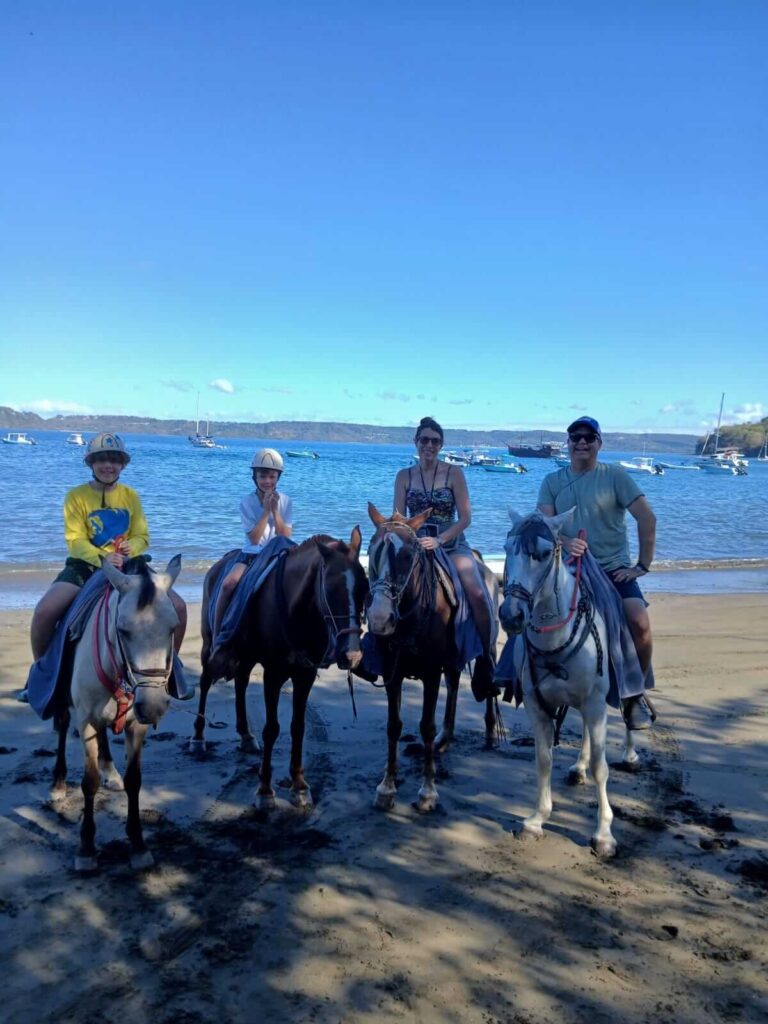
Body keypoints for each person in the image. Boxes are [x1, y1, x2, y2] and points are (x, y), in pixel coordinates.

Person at [28, 431, 188, 667]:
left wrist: (132, 546)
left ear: (122, 465)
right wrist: (103, 557)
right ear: (91, 463)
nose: (108, 466)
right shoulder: (75, 496)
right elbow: (75, 540)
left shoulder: (131, 496)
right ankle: (41, 672)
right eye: (101, 459)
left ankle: (171, 668)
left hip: (130, 566)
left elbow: (142, 536)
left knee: (179, 607)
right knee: (44, 612)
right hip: (85, 565)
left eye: (114, 460)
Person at [537, 416, 656, 729]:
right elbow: (544, 526)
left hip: (613, 568)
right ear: (568, 443)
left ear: (599, 443)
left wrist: (641, 566)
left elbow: (647, 518)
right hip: (566, 568)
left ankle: (634, 694)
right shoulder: (551, 481)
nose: (582, 442)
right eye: (575, 437)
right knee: (526, 612)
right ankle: (519, 677)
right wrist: (565, 541)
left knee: (639, 621)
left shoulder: (615, 476)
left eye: (589, 437)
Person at [393, 416, 497, 699]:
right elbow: (399, 519)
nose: (429, 445)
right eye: (424, 440)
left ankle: (487, 659)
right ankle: (375, 651)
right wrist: (408, 540)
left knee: (477, 592)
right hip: (416, 543)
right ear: (416, 442)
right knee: (385, 582)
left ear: (441, 445)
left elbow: (465, 518)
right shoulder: (404, 476)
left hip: (450, 543)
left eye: (435, 441)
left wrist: (440, 540)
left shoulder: (454, 473)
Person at [211, 448, 293, 641]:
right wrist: (265, 512)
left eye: (272, 477)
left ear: (278, 478)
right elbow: (254, 538)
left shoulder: (286, 501)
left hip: (278, 553)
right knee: (228, 584)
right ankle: (217, 634)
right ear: (255, 477)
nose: (267, 481)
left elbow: (285, 536)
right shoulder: (246, 502)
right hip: (252, 554)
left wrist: (276, 511)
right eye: (262, 476)